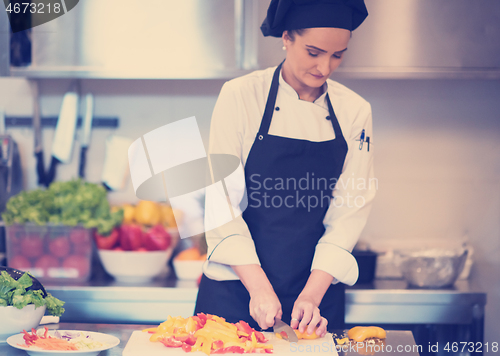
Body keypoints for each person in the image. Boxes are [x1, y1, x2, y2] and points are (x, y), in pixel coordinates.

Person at [195, 0, 375, 337]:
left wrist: (311, 294)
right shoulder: (241, 96)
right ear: (286, 38)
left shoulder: (355, 111)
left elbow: (350, 210)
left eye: (337, 55)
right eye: (313, 52)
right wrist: (259, 287)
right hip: (236, 289)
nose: (324, 67)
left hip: (316, 299)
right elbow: (222, 203)